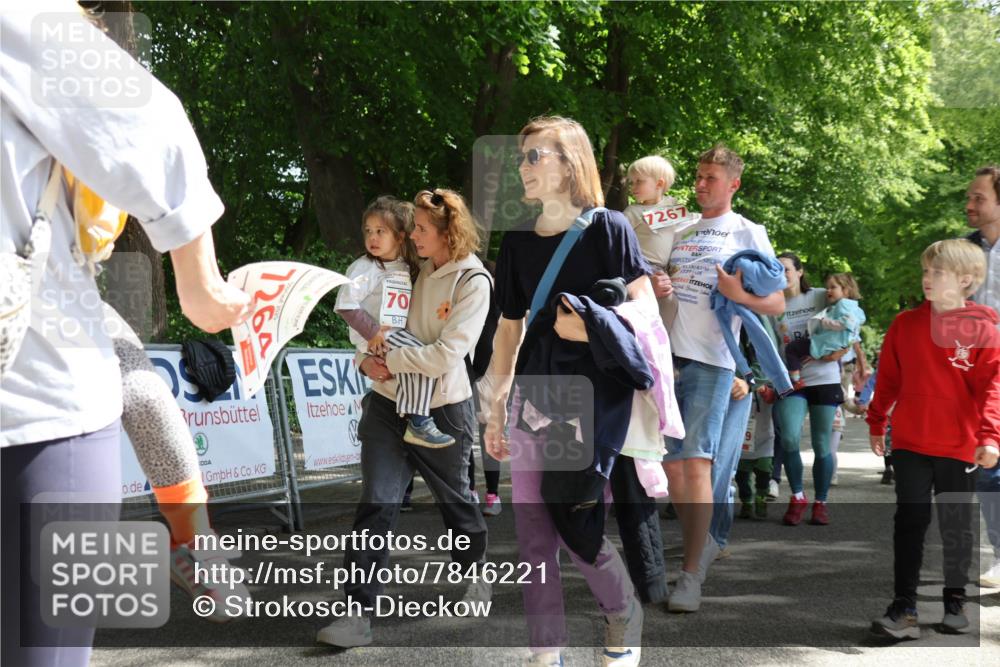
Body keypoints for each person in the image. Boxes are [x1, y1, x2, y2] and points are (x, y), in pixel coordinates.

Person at [1, 4, 252, 665]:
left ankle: (197, 544)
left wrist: (199, 280)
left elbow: (150, 125)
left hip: (44, 349)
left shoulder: (22, 20)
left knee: (141, 390)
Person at [484, 116, 654, 667]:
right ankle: (545, 652)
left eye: (537, 156)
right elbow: (509, 328)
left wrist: (593, 324)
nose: (524, 167)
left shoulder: (608, 228)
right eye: (523, 157)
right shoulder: (515, 241)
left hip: (586, 394)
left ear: (570, 161)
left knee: (576, 523)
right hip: (533, 395)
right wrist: (494, 406)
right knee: (532, 536)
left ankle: (620, 613)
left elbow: (644, 309)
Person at [317, 188, 491, 648]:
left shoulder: (473, 281)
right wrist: (364, 363)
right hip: (386, 406)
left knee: (456, 502)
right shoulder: (405, 269)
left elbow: (448, 354)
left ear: (447, 234)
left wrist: (388, 361)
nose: (409, 235)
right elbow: (371, 329)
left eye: (419, 228)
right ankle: (356, 613)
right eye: (411, 227)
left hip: (443, 410)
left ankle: (474, 574)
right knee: (375, 503)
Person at [658, 144, 785, 613]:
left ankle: (691, 576)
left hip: (712, 360)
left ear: (734, 184)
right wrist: (657, 285)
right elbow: (659, 279)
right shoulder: (679, 227)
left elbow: (775, 302)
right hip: (664, 358)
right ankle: (702, 543)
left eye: (712, 177)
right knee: (672, 469)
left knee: (697, 465)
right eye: (699, 175)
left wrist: (739, 294)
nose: (702, 183)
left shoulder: (748, 231)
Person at [867, 239, 1000, 639]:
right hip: (909, 441)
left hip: (959, 446)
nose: (927, 279)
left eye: (937, 272)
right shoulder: (905, 325)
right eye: (926, 271)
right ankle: (904, 607)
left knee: (956, 523)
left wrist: (990, 436)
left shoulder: (983, 329)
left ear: (967, 281)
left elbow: (993, 386)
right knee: (909, 520)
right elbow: (889, 378)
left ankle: (955, 601)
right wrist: (877, 421)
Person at [335, 196, 456, 448]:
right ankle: (419, 422)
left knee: (420, 361)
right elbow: (346, 305)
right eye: (368, 231)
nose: (373, 238)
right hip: (378, 336)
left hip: (393, 333)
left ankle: (408, 414)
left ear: (400, 237)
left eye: (381, 231)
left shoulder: (405, 266)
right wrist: (372, 335)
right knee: (423, 358)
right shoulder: (363, 268)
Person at [771, 253, 846, 526]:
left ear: (800, 271)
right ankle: (798, 496)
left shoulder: (818, 296)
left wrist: (842, 351)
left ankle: (821, 502)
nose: (782, 273)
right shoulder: (772, 302)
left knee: (821, 444)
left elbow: (850, 319)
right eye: (776, 269)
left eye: (787, 268)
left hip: (824, 378)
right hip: (789, 380)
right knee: (789, 437)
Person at [964, 164, 1000, 588]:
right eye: (970, 197)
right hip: (977, 374)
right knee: (989, 469)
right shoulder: (963, 250)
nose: (970, 204)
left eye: (979, 197)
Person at [781, 273, 866, 389]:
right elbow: (855, 330)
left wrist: (825, 321)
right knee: (803, 352)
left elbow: (846, 323)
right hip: (833, 345)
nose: (828, 290)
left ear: (846, 290)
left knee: (791, 348)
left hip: (827, 343)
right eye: (827, 287)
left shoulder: (843, 305)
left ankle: (795, 381)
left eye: (833, 287)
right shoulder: (855, 307)